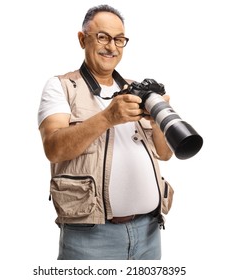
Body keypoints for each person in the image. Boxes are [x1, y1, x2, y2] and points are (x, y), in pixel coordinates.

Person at [37, 4, 174, 260]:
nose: (111, 47)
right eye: (102, 37)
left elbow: (165, 154)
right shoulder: (62, 86)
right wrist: (108, 117)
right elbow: (53, 148)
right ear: (82, 39)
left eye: (119, 39)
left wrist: (157, 121)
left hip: (149, 233)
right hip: (90, 237)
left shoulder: (139, 90)